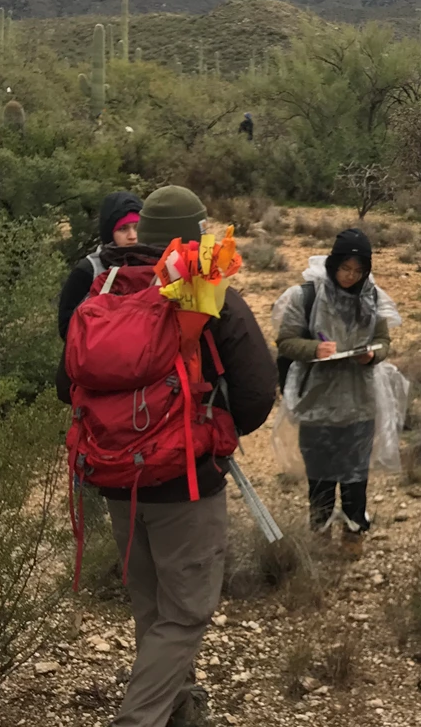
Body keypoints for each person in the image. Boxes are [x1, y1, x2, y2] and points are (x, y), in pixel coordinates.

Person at [57, 185, 277, 727]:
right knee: (185, 613)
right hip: (187, 481)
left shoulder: (101, 286)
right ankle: (139, 720)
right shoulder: (201, 290)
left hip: (116, 478)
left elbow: (67, 384)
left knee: (154, 609)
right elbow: (256, 389)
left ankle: (181, 710)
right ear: (192, 231)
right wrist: (214, 435)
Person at [276, 228, 392, 540]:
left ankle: (354, 532)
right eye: (345, 268)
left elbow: (384, 341)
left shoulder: (372, 297)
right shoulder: (307, 296)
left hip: (359, 404)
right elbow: (286, 341)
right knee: (320, 476)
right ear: (332, 264)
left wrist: (373, 354)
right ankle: (320, 531)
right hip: (317, 404)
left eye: (358, 270)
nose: (350, 276)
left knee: (356, 476)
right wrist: (314, 349)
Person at [57, 190, 142, 339]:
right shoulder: (88, 270)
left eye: (137, 227)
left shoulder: (148, 265)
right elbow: (66, 328)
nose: (132, 236)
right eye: (123, 229)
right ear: (109, 232)